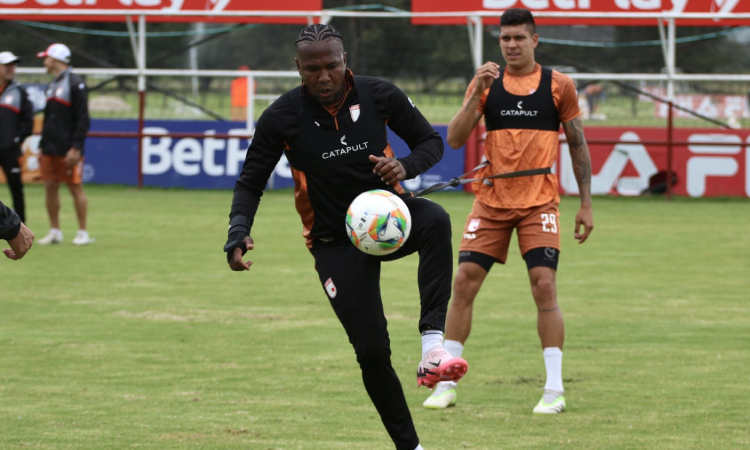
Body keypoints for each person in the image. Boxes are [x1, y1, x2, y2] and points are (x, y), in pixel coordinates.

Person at [224, 24, 468, 450]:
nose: (323, 76)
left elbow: (431, 142)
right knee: (372, 352)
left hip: (389, 216)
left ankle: (433, 346)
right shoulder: (281, 117)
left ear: (344, 62)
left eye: (331, 65)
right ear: (298, 68)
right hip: (333, 241)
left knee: (435, 220)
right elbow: (250, 182)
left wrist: (405, 167)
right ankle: (411, 447)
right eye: (312, 68)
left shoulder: (379, 95)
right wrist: (238, 231)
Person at [423, 8, 594, 414]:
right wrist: (475, 91)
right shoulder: (486, 83)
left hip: (539, 201)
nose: (512, 45)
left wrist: (586, 204)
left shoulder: (559, 86)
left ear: (535, 40)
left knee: (544, 286)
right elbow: (455, 138)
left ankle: (554, 390)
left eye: (519, 38)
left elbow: (577, 143)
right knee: (463, 282)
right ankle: (446, 383)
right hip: (492, 200)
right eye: (505, 39)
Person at [35, 43, 92, 245]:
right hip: (50, 146)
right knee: (50, 186)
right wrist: (42, 145)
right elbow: (49, 118)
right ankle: (55, 231)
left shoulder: (75, 83)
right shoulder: (53, 84)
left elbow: (83, 119)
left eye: (46, 57)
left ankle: (83, 232)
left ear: (56, 59)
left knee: (75, 187)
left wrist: (76, 147)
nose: (44, 61)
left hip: (68, 148)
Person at [0, 51, 34, 224]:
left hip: (10, 151)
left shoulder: (19, 91)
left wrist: (16, 140)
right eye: (7, 65)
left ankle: (21, 228)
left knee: (16, 190)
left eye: (13, 65)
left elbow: (29, 122)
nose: (11, 68)